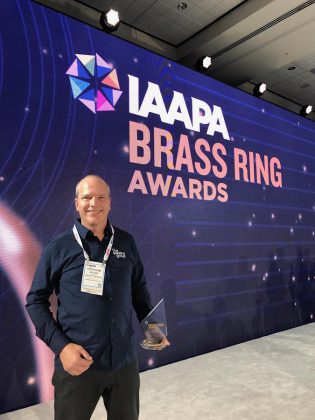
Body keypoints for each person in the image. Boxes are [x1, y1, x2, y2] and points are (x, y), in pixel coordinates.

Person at [26, 174, 170, 420]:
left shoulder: (126, 242)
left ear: (110, 203)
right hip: (78, 365)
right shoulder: (58, 247)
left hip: (123, 363)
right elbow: (35, 302)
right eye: (87, 197)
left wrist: (154, 330)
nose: (94, 203)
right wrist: (62, 348)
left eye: (101, 197)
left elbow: (139, 290)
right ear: (76, 203)